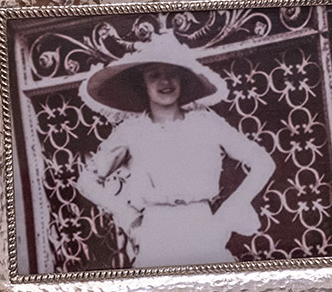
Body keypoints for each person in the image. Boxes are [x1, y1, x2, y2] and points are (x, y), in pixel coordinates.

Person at [73, 30, 275, 268]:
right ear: (143, 84)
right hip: (156, 233)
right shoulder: (132, 131)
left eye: (172, 74)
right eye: (154, 75)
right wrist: (129, 218)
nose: (165, 82)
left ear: (182, 79)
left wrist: (228, 213)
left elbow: (263, 163)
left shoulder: (206, 123)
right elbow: (87, 181)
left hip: (203, 228)